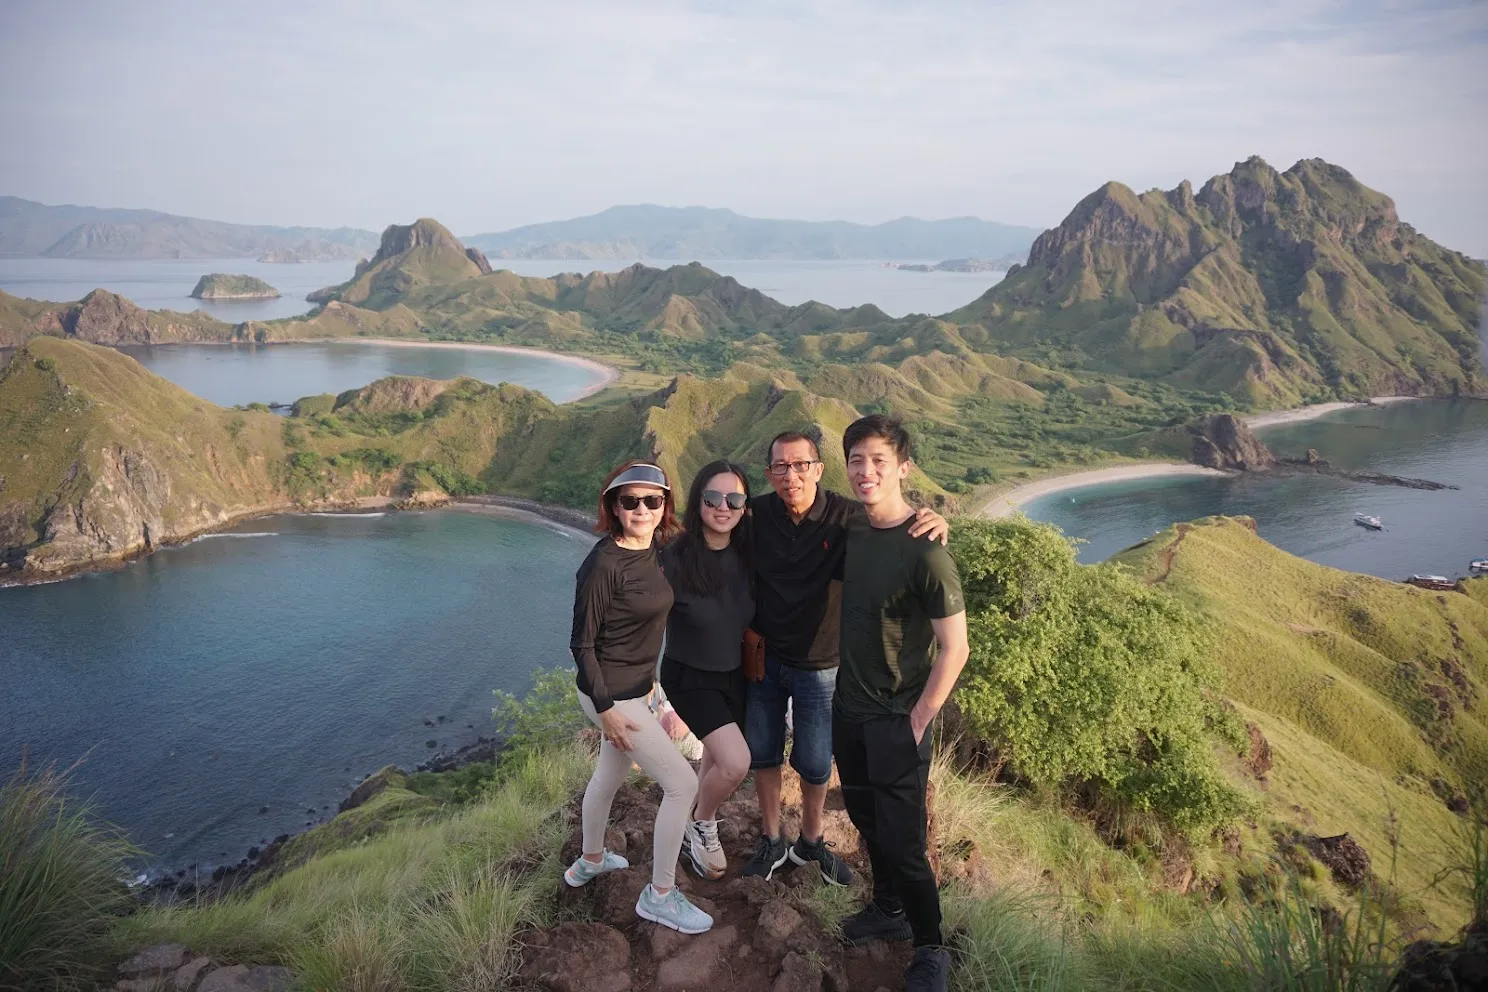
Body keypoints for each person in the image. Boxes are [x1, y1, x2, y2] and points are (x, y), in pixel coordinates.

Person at [741, 430, 948, 885]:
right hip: (765, 659)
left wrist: (931, 520)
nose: (791, 476)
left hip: (821, 664)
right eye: (781, 466)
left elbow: (892, 522)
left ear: (819, 469)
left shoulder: (846, 518)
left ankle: (811, 841)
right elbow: (709, 531)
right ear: (769, 473)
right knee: (763, 753)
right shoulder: (755, 515)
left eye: (801, 465)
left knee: (816, 762)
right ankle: (771, 838)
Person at [833, 415, 969, 992]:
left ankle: (931, 946)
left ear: (904, 468)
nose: (866, 471)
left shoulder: (927, 551)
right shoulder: (853, 529)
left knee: (905, 841)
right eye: (856, 460)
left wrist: (917, 720)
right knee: (865, 818)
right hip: (849, 711)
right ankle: (887, 908)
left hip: (896, 720)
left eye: (879, 461)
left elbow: (956, 648)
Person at [563, 460, 713, 935]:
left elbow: (716, 532)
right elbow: (582, 645)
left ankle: (589, 860)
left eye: (653, 500)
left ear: (665, 505)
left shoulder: (659, 550)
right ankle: (661, 897)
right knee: (682, 785)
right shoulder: (603, 565)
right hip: (610, 695)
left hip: (637, 690)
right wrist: (606, 710)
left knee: (609, 775)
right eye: (630, 501)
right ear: (614, 507)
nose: (642, 509)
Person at [659, 459, 755, 879]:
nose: (723, 506)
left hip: (735, 674)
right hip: (689, 675)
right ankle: (702, 820)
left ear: (745, 506)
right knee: (735, 763)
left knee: (715, 757)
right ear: (698, 500)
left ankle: (692, 821)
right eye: (713, 497)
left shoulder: (749, 553)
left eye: (734, 499)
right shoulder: (673, 558)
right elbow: (642, 614)